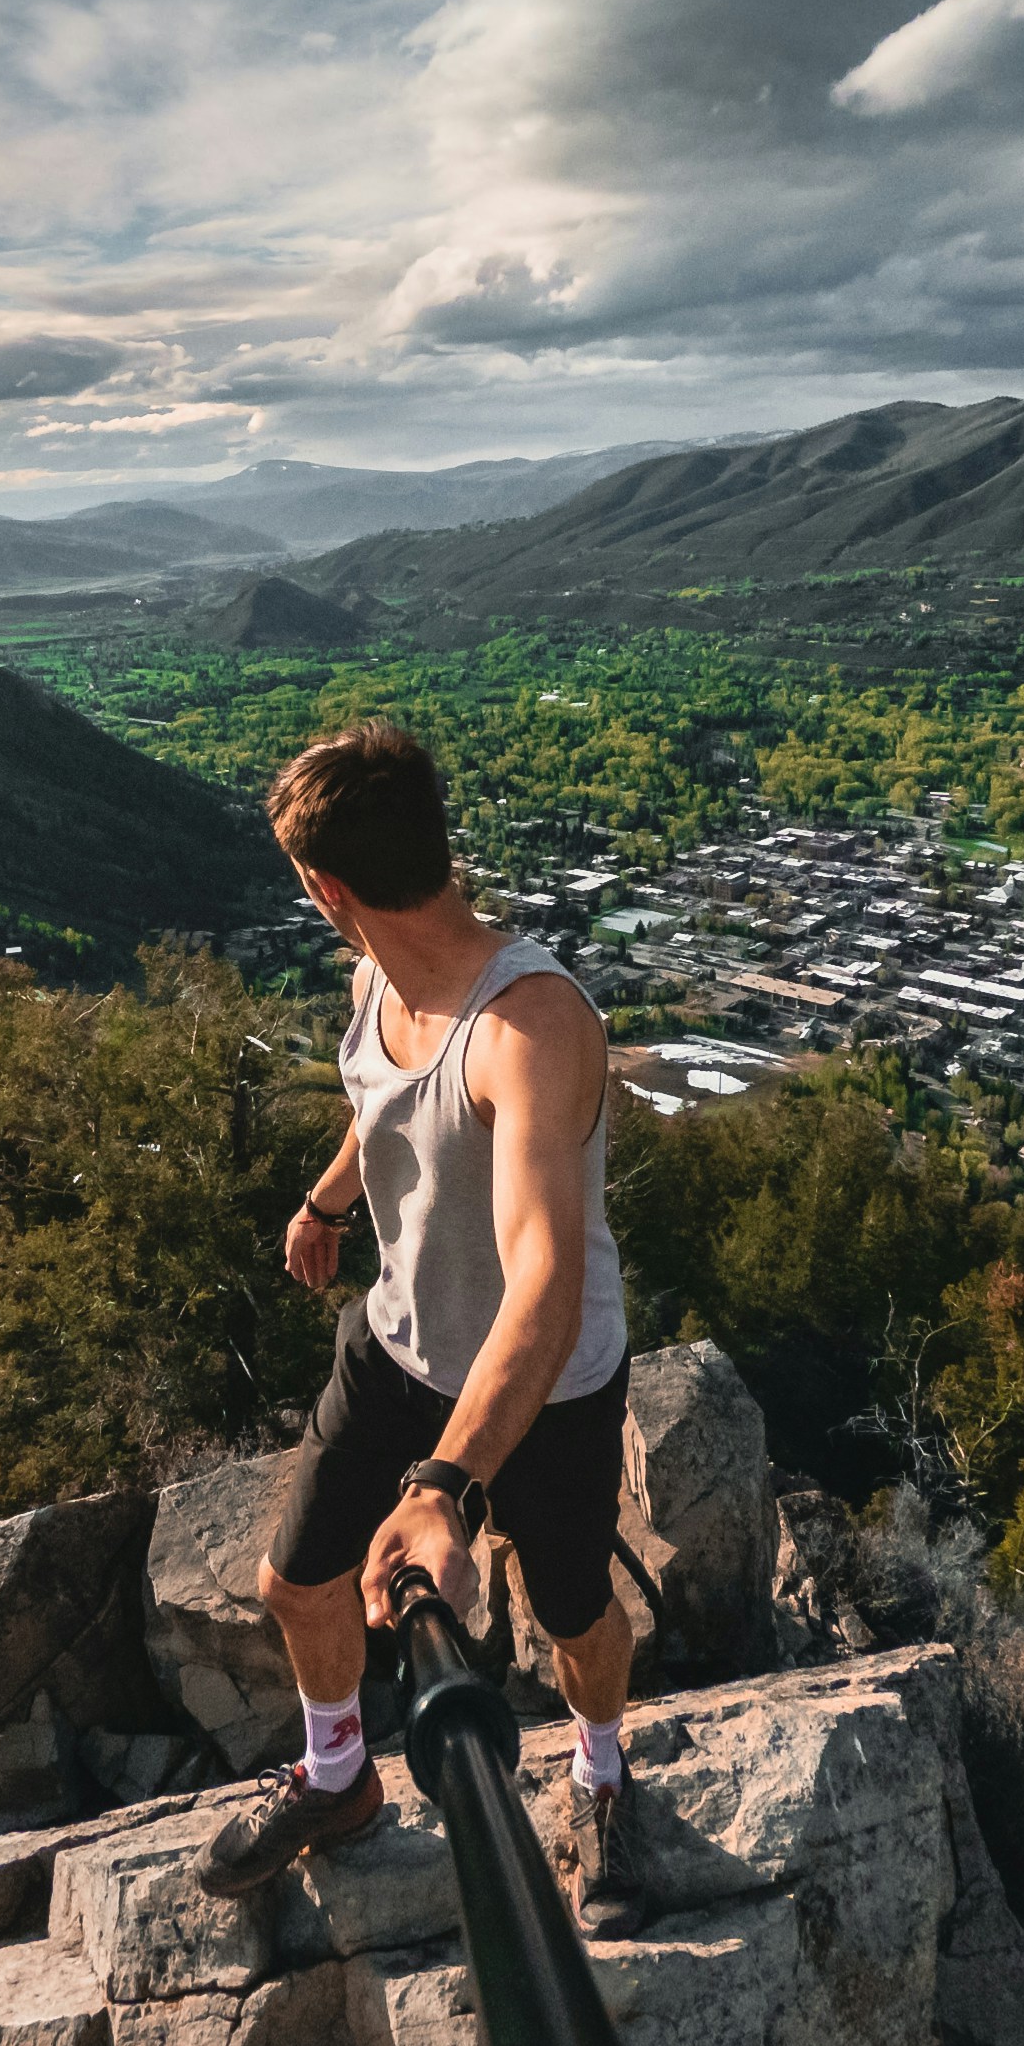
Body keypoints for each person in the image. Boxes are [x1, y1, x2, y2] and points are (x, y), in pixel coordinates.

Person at [198, 721, 652, 1938]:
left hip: (545, 1384)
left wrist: (445, 1489)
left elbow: (546, 1288)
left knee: (572, 1617)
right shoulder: (377, 983)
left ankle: (603, 1773)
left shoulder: (529, 1030)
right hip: (396, 1344)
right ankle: (338, 1777)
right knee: (297, 1583)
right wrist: (325, 1202)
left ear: (325, 887)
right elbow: (381, 1104)